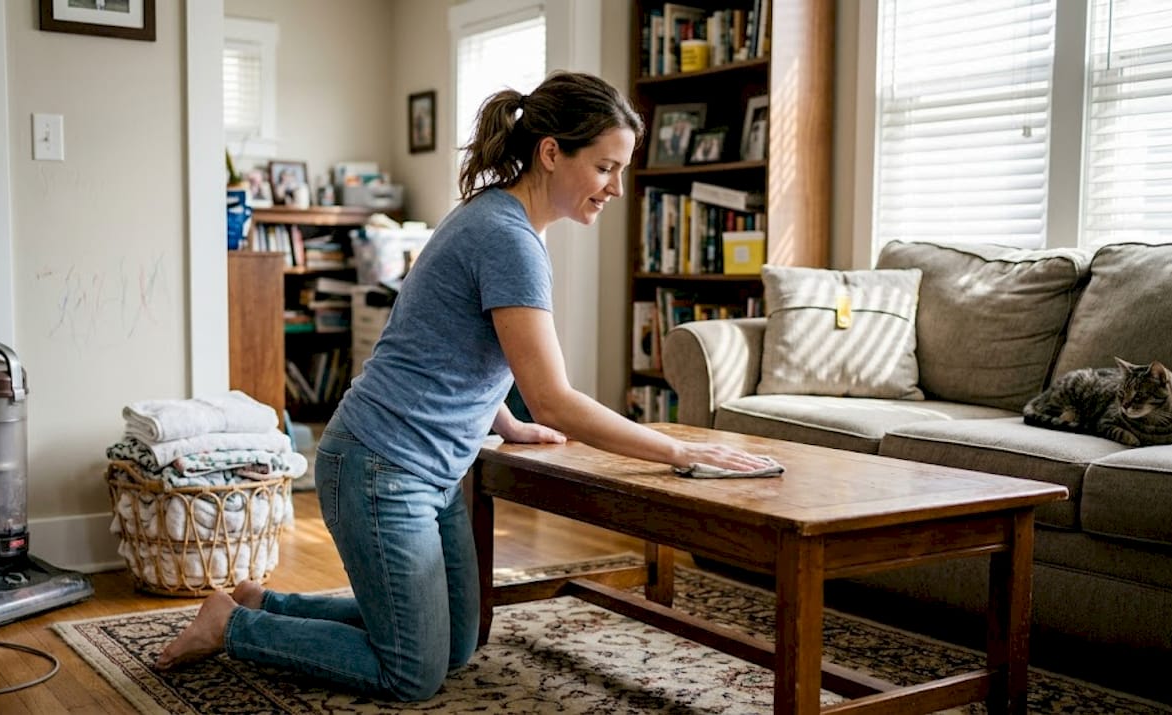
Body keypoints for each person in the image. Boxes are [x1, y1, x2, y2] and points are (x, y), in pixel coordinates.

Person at [155, 70, 774, 702]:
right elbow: (554, 398)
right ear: (552, 152)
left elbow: (451, 345)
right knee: (412, 673)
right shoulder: (508, 238)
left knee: (455, 642)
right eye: (605, 168)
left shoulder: (499, 218)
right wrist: (677, 451)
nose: (615, 187)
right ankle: (232, 626)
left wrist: (505, 422)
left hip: (431, 470)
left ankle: (264, 604)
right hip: (381, 466)